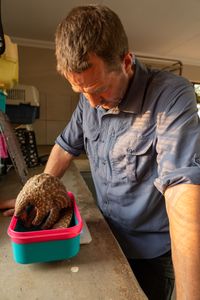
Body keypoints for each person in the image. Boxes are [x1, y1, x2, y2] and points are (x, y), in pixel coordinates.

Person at [2, 5, 200, 299]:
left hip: (152, 254)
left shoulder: (171, 96)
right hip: (107, 235)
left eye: (100, 89)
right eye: (82, 92)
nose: (92, 104)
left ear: (126, 62)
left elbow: (183, 193)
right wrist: (36, 189)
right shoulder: (90, 100)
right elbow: (64, 147)